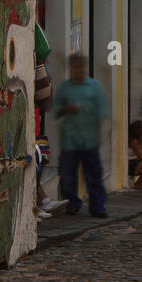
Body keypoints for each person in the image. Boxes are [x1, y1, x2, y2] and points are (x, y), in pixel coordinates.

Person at [54, 53, 108, 217]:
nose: (79, 70)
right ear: (71, 68)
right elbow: (56, 111)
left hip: (89, 138)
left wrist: (98, 134)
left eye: (81, 66)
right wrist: (67, 109)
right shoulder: (64, 88)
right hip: (70, 139)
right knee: (68, 174)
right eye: (76, 66)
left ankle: (97, 206)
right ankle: (72, 203)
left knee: (93, 174)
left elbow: (101, 112)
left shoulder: (95, 87)